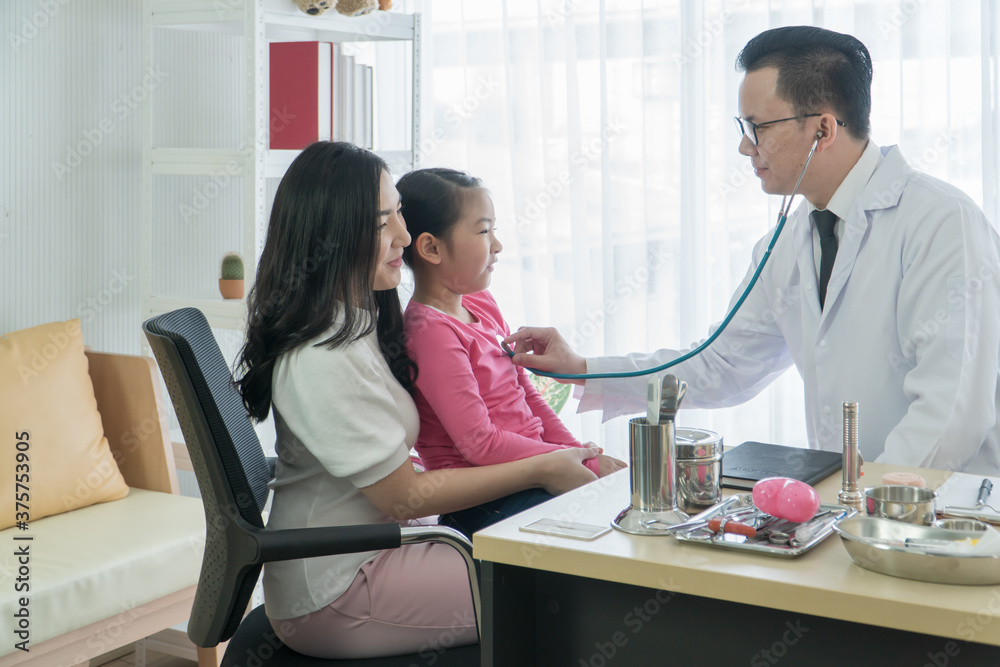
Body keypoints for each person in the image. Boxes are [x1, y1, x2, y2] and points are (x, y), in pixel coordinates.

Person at [504, 25, 1000, 476]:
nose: (746, 147)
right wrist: (584, 367)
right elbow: (720, 365)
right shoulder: (787, 241)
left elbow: (951, 412)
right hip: (854, 518)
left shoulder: (940, 223)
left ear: (822, 129)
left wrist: (868, 507)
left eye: (758, 127)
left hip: (942, 522)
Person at [235, 142, 599, 660]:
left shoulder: (354, 320)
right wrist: (544, 469)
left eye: (399, 215)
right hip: (339, 586)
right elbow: (404, 496)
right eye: (384, 223)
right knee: (566, 587)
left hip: (375, 549)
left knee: (566, 555)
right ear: (333, 235)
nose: (403, 237)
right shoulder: (320, 355)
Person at [395, 168, 626, 537]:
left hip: (533, 476)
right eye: (484, 231)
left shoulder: (481, 303)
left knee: (627, 509)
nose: (497, 245)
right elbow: (479, 443)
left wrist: (580, 455)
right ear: (431, 248)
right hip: (485, 506)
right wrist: (561, 461)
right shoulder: (430, 333)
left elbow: (525, 392)